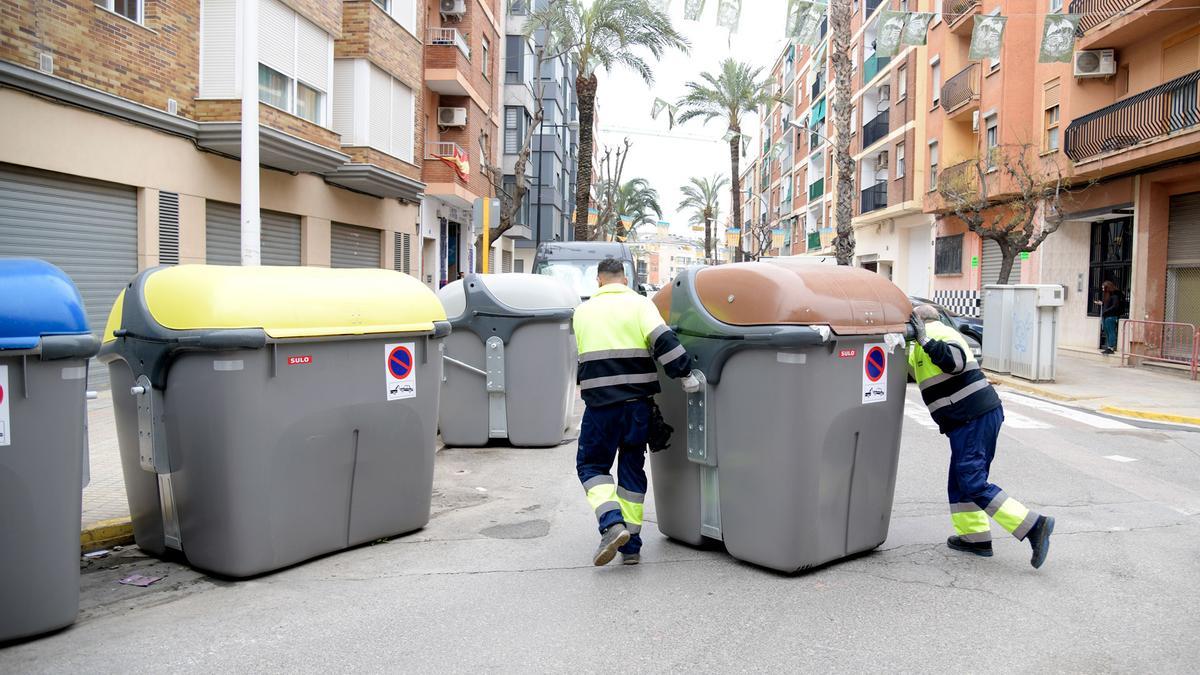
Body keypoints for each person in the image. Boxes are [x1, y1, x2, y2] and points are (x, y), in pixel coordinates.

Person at [572, 258, 700, 566]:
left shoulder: (582, 312)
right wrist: (685, 375)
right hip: (637, 406)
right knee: (631, 467)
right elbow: (665, 342)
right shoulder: (640, 305)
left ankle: (611, 524)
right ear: (625, 280)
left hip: (601, 408)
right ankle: (631, 547)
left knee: (591, 466)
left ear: (599, 282)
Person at [907, 305, 1056, 568]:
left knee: (972, 481)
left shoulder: (941, 334)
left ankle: (1034, 525)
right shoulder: (919, 345)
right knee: (960, 481)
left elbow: (954, 361)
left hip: (973, 418)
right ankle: (975, 539)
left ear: (921, 322)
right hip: (969, 419)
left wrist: (925, 339)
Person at [1096, 280, 1124, 354]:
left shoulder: (1115, 296)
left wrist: (1106, 311)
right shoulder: (1108, 296)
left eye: (1103, 288)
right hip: (1106, 316)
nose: (1102, 290)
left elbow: (1115, 306)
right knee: (1107, 332)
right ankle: (1109, 347)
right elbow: (1109, 305)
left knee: (1111, 332)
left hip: (1111, 317)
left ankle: (1111, 347)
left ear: (1107, 288)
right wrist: (1101, 303)